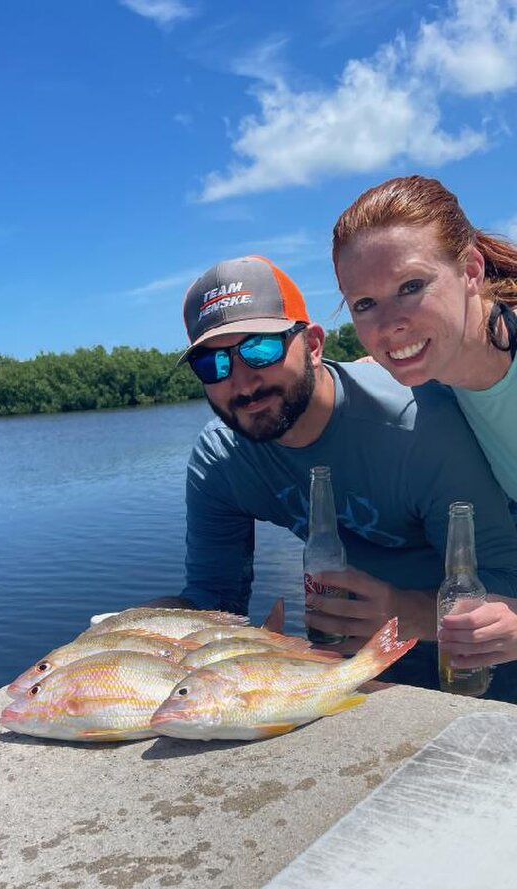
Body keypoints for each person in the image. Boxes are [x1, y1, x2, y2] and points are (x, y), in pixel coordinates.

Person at [150, 253, 517, 701]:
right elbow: (214, 598)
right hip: (349, 676)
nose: (242, 383)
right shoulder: (222, 459)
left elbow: (506, 577)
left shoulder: (418, 425)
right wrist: (134, 629)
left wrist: (407, 613)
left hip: (480, 674)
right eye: (213, 365)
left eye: (260, 350)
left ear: (313, 344)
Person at [332, 174, 517, 670]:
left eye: (411, 287)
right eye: (365, 304)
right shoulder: (430, 372)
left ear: (471, 270)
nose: (389, 325)